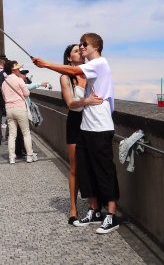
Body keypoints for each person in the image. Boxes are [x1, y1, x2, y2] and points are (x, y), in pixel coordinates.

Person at [33, 32, 120, 234]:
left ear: (95, 47)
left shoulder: (100, 63)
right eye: (79, 45)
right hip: (86, 127)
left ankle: (112, 216)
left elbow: (69, 70)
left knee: (105, 170)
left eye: (84, 44)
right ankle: (94, 210)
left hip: (100, 127)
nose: (81, 47)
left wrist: (46, 64)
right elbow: (74, 92)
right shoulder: (88, 70)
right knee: (86, 171)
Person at [60, 44, 103, 225]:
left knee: (94, 164)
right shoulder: (66, 77)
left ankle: (96, 207)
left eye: (81, 50)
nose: (81, 53)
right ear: (69, 59)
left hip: (92, 121)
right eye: (76, 51)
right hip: (76, 124)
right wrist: (87, 101)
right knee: (75, 168)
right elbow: (70, 104)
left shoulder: (91, 72)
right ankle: (73, 207)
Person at [1, 61, 38, 164]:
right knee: (26, 132)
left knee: (12, 135)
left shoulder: (4, 83)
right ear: (14, 70)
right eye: (17, 69)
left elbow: (4, 97)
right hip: (20, 108)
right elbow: (26, 93)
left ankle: (12, 157)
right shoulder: (19, 80)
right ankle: (30, 156)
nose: (19, 70)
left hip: (9, 109)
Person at [14, 69, 48, 158]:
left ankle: (18, 151)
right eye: (23, 74)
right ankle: (28, 152)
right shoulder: (19, 83)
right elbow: (28, 87)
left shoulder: (11, 82)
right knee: (26, 132)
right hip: (22, 110)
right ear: (18, 74)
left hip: (14, 109)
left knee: (18, 132)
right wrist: (40, 84)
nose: (25, 76)